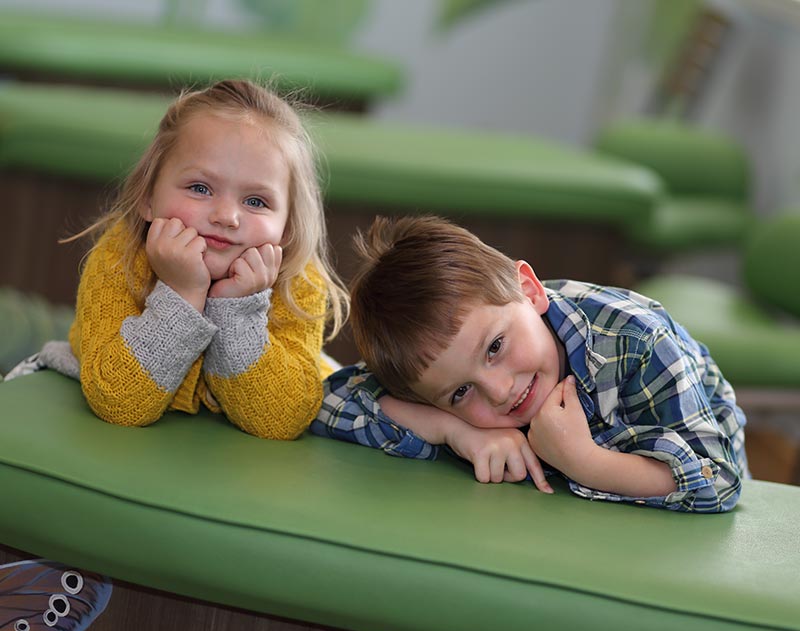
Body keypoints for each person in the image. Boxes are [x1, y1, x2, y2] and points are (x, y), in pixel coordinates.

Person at [311, 215, 748, 512]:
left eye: (495, 347)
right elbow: (325, 401)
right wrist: (454, 430)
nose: (500, 391)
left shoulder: (637, 341)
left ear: (530, 289)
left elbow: (720, 479)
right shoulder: (445, 365)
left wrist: (584, 462)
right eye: (461, 393)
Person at [28, 79, 348, 440]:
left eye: (256, 201)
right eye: (200, 188)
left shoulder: (297, 279)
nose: (227, 216)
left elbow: (282, 420)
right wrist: (181, 294)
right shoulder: (121, 256)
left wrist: (237, 310)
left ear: (288, 228)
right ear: (148, 198)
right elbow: (119, 400)